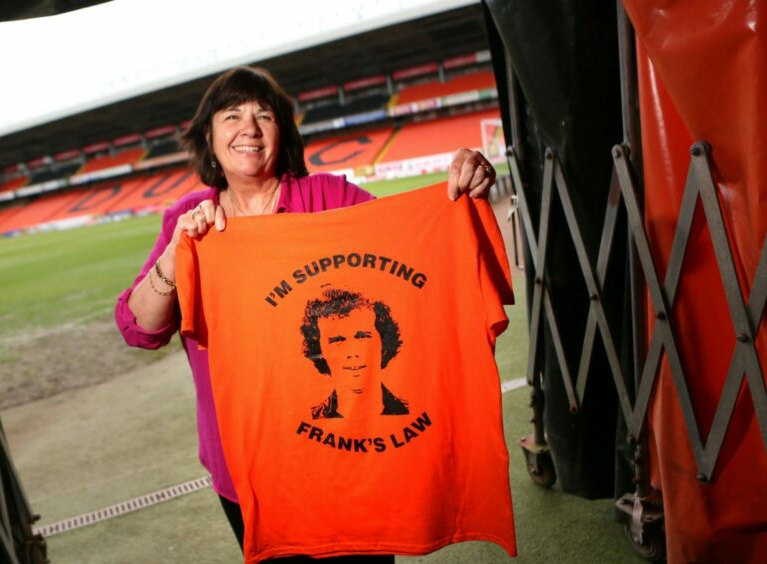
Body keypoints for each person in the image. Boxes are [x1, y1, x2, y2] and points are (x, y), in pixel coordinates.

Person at [115, 65, 497, 559]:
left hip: (344, 453)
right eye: (231, 116)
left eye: (264, 115)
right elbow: (139, 329)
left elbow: (415, 249)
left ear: (284, 133)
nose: (249, 128)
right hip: (246, 463)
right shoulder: (187, 219)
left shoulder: (329, 198)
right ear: (209, 139)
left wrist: (465, 194)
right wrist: (176, 252)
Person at [300, 288, 408, 419]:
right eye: (337, 340)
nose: (352, 352)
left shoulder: (409, 411)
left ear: (384, 345)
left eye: (362, 336)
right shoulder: (308, 418)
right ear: (319, 351)